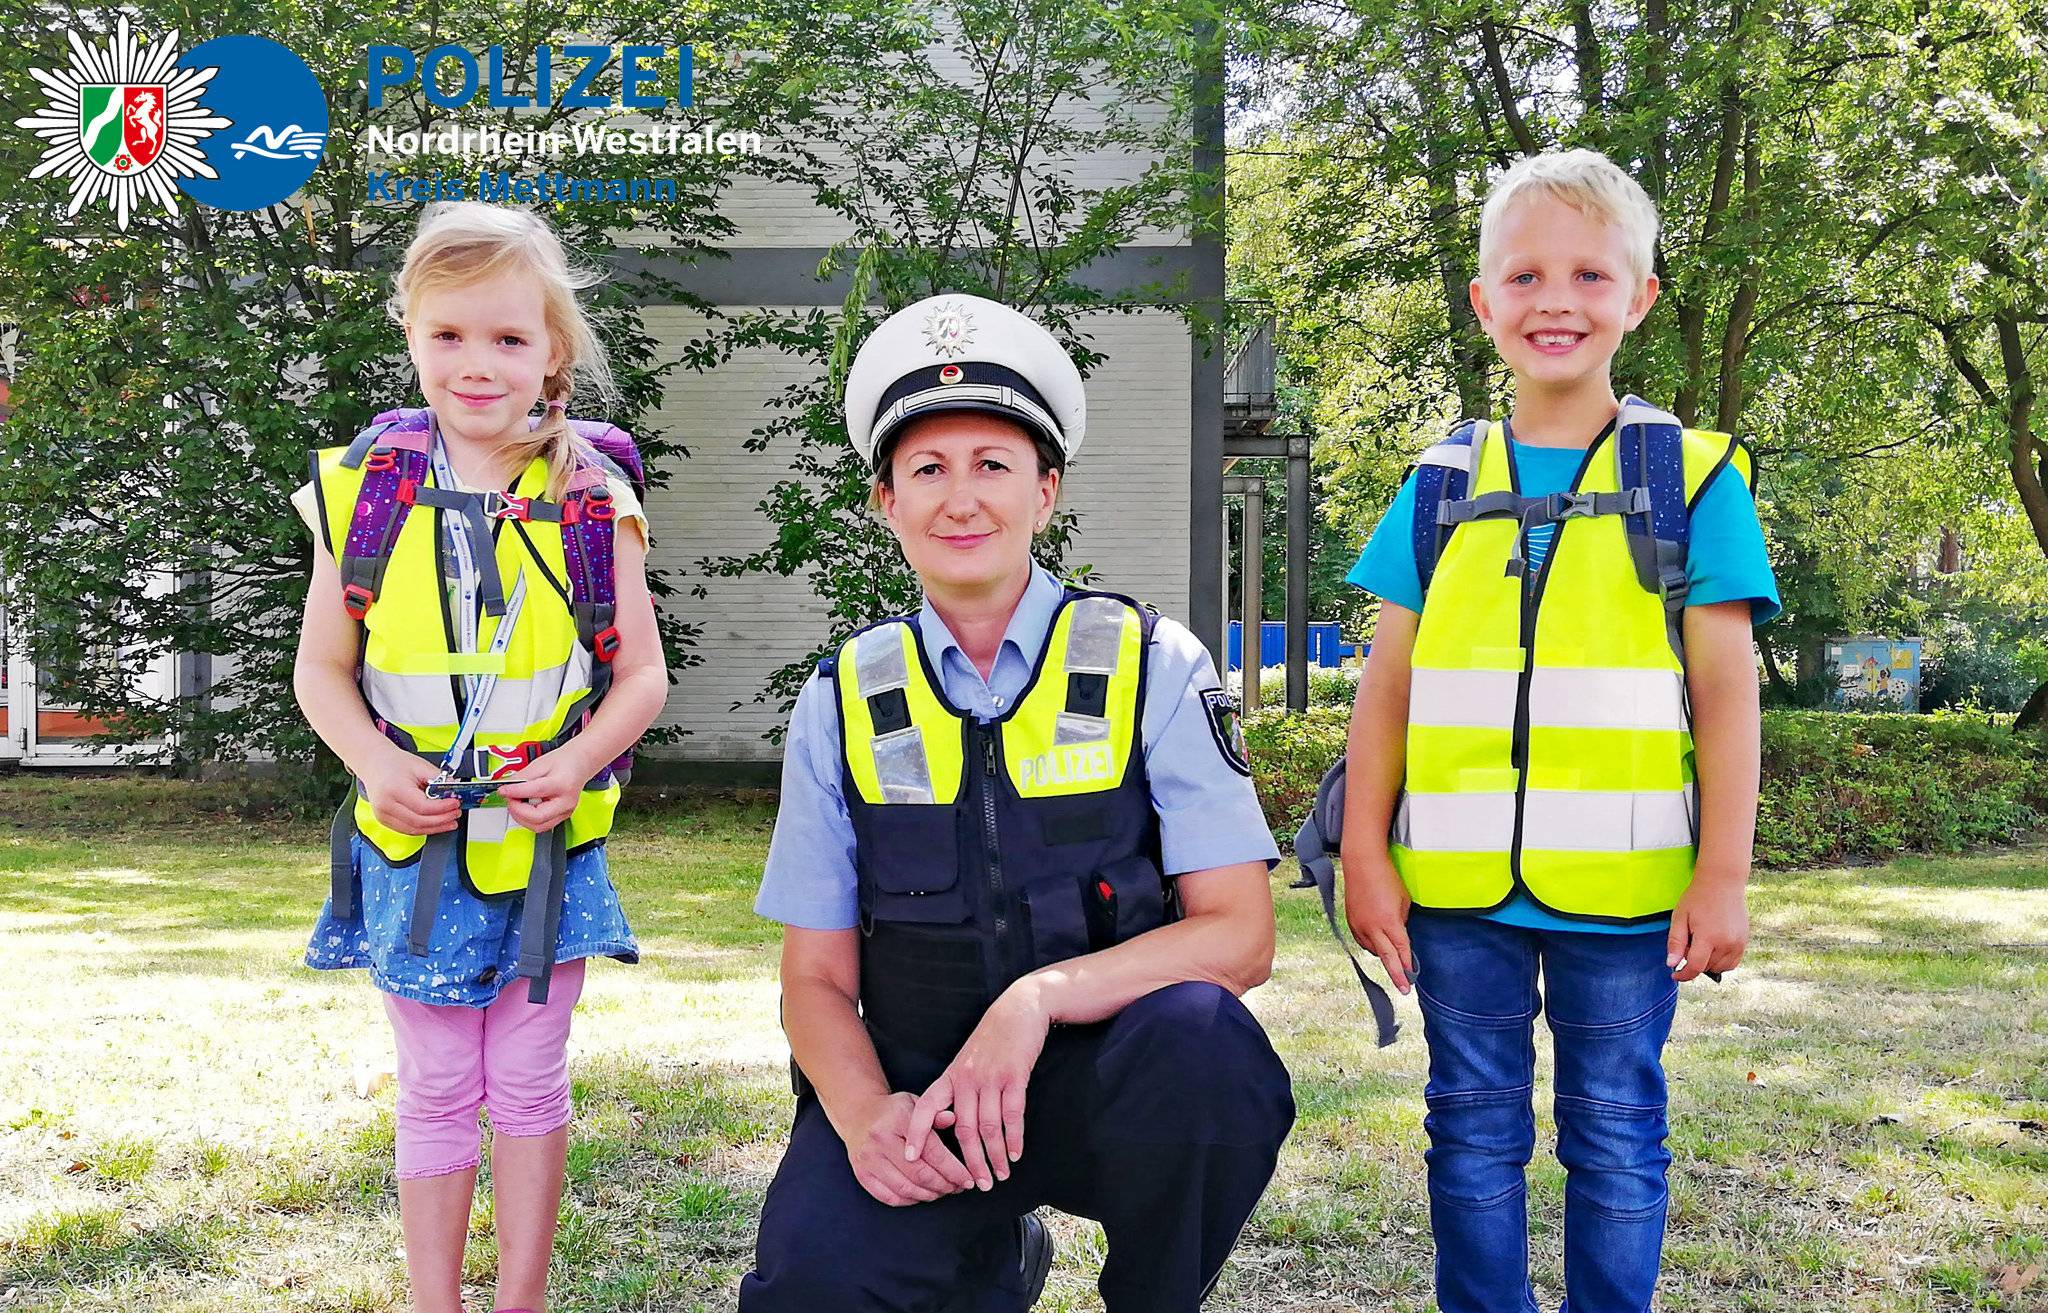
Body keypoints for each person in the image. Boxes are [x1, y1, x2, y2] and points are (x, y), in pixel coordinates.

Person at [739, 293, 1296, 1313]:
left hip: (1110, 1081)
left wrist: (1031, 1000)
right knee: (807, 1291)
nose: (961, 498)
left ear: (1045, 493)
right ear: (885, 501)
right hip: (923, 1096)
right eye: (926, 469)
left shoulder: (1151, 664)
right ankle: (987, 1261)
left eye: (992, 464)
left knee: (1208, 1049)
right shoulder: (840, 699)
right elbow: (814, 981)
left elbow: (1239, 936)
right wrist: (866, 1115)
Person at [1339, 150, 1780, 1313]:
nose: (1555, 300)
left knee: (1618, 1136)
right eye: (1524, 275)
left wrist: (1723, 875)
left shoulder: (1691, 479)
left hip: (1630, 901)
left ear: (1636, 297)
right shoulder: (1437, 482)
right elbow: (1385, 685)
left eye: (1589, 274)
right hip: (1458, 897)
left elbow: (1727, 697)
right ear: (1483, 303)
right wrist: (1362, 852)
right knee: (1469, 1139)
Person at [291, 202, 668, 1313]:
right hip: (415, 849)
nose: (476, 363)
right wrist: (371, 764)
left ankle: (519, 1301)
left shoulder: (594, 492)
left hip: (548, 850)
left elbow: (640, 676)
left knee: (529, 1078)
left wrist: (582, 759)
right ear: (409, 331)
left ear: (553, 348)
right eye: (448, 334)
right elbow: (322, 670)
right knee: (439, 1084)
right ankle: (433, 1302)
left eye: (508, 338)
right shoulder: (364, 490)